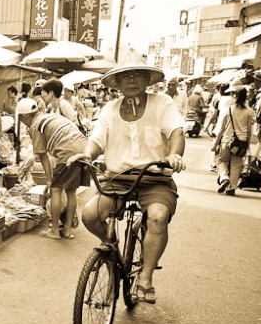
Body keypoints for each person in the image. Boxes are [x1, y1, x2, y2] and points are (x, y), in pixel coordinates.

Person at [68, 50, 186, 305]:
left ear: (146, 79)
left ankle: (145, 278)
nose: (131, 80)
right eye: (125, 76)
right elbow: (96, 140)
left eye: (137, 75)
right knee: (89, 215)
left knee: (157, 218)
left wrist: (174, 155)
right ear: (118, 83)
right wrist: (86, 154)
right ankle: (112, 251)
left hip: (155, 179)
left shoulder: (162, 102)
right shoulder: (109, 109)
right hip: (118, 178)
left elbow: (176, 131)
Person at [16, 98, 87, 240]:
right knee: (71, 190)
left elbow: (43, 156)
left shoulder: (36, 126)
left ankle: (54, 230)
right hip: (83, 146)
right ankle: (67, 230)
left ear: (23, 116)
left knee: (55, 190)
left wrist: (49, 179)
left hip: (67, 150)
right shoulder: (48, 116)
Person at [213, 86, 253, 196]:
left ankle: (224, 177)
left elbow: (222, 128)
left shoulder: (229, 109)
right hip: (241, 142)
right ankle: (231, 188)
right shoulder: (249, 111)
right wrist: (247, 144)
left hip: (227, 140)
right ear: (246, 96)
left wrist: (216, 142)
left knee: (221, 160)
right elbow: (249, 130)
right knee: (236, 165)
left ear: (235, 95)